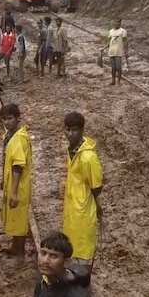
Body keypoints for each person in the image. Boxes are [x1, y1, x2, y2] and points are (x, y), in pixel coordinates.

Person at [62, 112, 103, 270]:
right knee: (73, 245)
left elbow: (96, 186)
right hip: (72, 207)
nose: (70, 134)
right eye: (67, 130)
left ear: (82, 130)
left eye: (74, 130)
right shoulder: (72, 149)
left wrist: (96, 205)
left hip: (84, 210)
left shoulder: (88, 157)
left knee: (83, 250)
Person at [0, 103, 32, 258]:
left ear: (17, 118)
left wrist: (13, 191)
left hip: (18, 185)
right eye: (4, 119)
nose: (6, 122)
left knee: (19, 219)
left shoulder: (18, 139)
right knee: (16, 218)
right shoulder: (12, 135)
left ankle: (19, 249)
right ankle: (15, 246)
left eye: (10, 118)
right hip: (13, 182)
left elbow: (18, 166)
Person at [106, 19, 128, 85]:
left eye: (118, 23)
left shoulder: (123, 31)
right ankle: (113, 81)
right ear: (113, 23)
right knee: (113, 67)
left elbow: (125, 41)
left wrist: (126, 51)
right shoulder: (111, 31)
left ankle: (118, 82)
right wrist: (103, 48)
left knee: (118, 67)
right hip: (111, 51)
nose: (116, 24)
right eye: (115, 22)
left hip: (119, 51)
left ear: (120, 23)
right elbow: (109, 42)